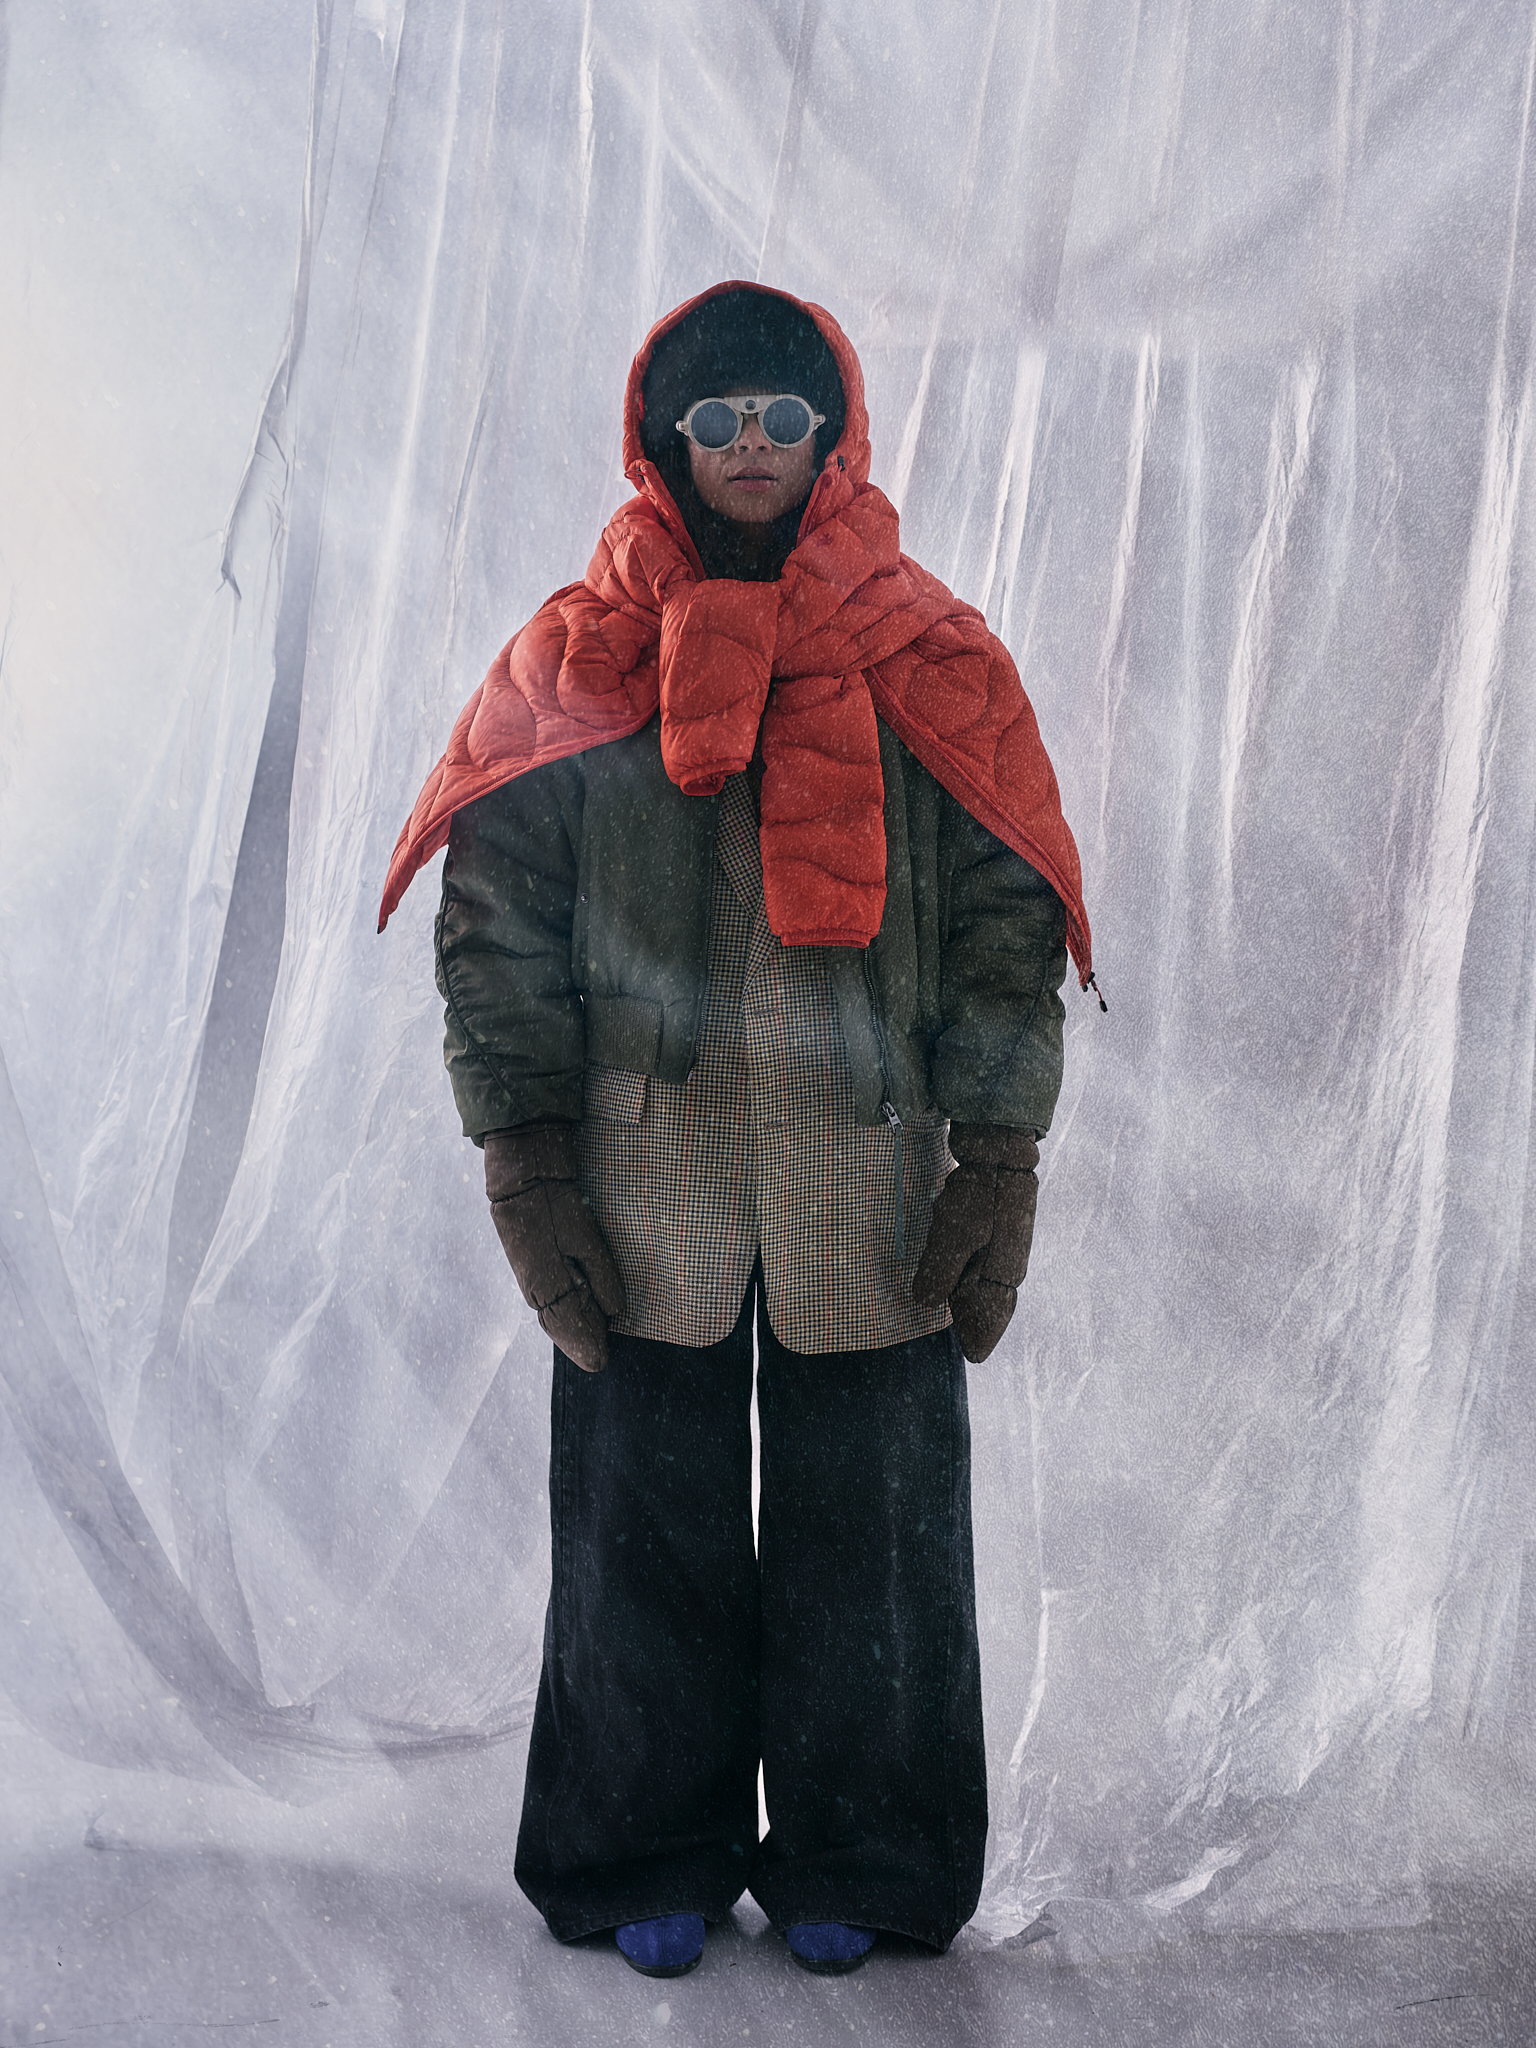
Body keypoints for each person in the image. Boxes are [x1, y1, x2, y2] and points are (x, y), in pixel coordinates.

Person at [379, 282, 1095, 1979]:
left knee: (879, 1523)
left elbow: (1005, 917)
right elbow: (498, 916)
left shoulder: (927, 655)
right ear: (665, 440)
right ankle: (643, 1849)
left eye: (784, 416)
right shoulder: (586, 656)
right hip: (651, 1161)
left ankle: (866, 1852)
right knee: (643, 1516)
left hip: (866, 1156)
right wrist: (525, 1154)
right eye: (718, 421)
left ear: (834, 434)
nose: (753, 447)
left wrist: (998, 1153)